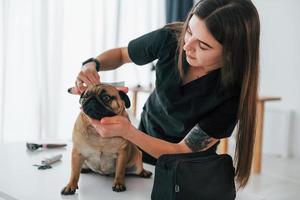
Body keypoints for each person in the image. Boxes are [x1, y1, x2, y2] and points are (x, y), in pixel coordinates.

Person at [74, 0, 260, 188]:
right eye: (189, 31)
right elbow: (122, 54)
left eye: (203, 46)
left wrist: (127, 132)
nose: (187, 46)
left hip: (187, 168)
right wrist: (92, 64)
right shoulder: (170, 39)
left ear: (231, 54)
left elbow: (182, 150)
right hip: (143, 149)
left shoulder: (233, 95)